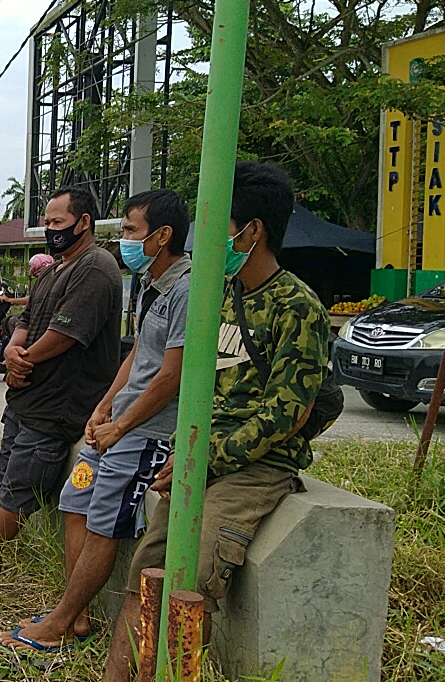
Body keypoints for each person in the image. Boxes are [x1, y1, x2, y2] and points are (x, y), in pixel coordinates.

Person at [104, 162, 329, 681]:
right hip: (199, 461)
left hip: (255, 468)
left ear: (252, 231)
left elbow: (286, 415)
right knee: (147, 571)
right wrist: (188, 452)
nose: (203, 240)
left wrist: (207, 457)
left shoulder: (297, 306)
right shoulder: (219, 296)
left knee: (192, 585)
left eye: (215, 227)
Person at [2, 189, 191, 651]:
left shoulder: (186, 290)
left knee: (106, 520)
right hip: (118, 424)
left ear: (162, 235)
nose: (123, 239)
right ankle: (78, 614)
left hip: (146, 434)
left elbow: (172, 375)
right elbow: (138, 358)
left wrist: (122, 426)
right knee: (74, 499)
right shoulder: (151, 284)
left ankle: (60, 622)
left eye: (130, 231)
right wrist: (106, 405)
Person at [0, 187, 121, 584]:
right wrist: (15, 353)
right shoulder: (55, 268)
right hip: (27, 397)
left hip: (59, 403)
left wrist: (25, 358)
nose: (52, 231)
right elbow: (25, 320)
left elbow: (66, 334)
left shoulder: (95, 268)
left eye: (59, 223)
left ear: (83, 222)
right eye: (48, 223)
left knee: (24, 479)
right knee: (5, 474)